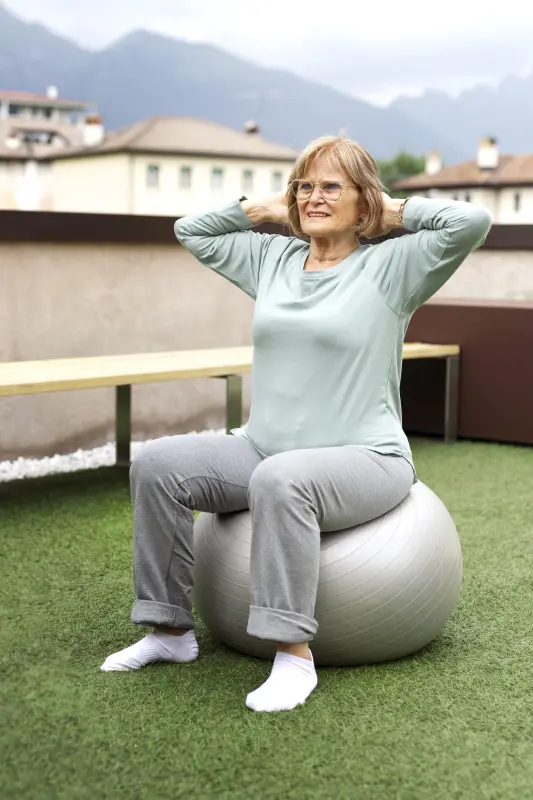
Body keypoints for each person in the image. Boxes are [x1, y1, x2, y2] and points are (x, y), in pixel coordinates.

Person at [101, 135, 492, 712]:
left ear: (365, 199)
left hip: (367, 457)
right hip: (264, 446)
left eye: (331, 186)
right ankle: (169, 632)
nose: (313, 196)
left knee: (282, 480)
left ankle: (293, 657)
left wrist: (396, 211)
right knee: (159, 465)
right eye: (304, 186)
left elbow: (472, 221)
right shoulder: (271, 259)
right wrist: (259, 210)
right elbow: (192, 230)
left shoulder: (394, 266)